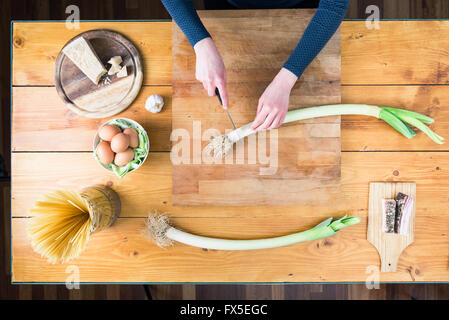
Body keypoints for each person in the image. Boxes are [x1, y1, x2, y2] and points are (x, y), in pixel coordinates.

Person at [162, 0, 350, 131]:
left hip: (299, 9)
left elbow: (335, 4)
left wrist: (286, 79)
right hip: (225, 7)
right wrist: (200, 43)